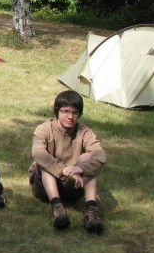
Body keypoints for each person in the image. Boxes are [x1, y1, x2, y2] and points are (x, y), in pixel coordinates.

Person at [29, 90, 107, 232]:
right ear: (57, 111)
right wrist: (63, 169)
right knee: (46, 162)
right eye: (65, 111)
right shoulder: (44, 129)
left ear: (79, 114)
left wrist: (81, 168)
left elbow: (100, 155)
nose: (70, 116)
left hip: (72, 185)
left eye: (75, 112)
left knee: (88, 160)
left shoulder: (85, 132)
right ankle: (57, 208)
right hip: (43, 186)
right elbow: (37, 152)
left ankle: (91, 211)